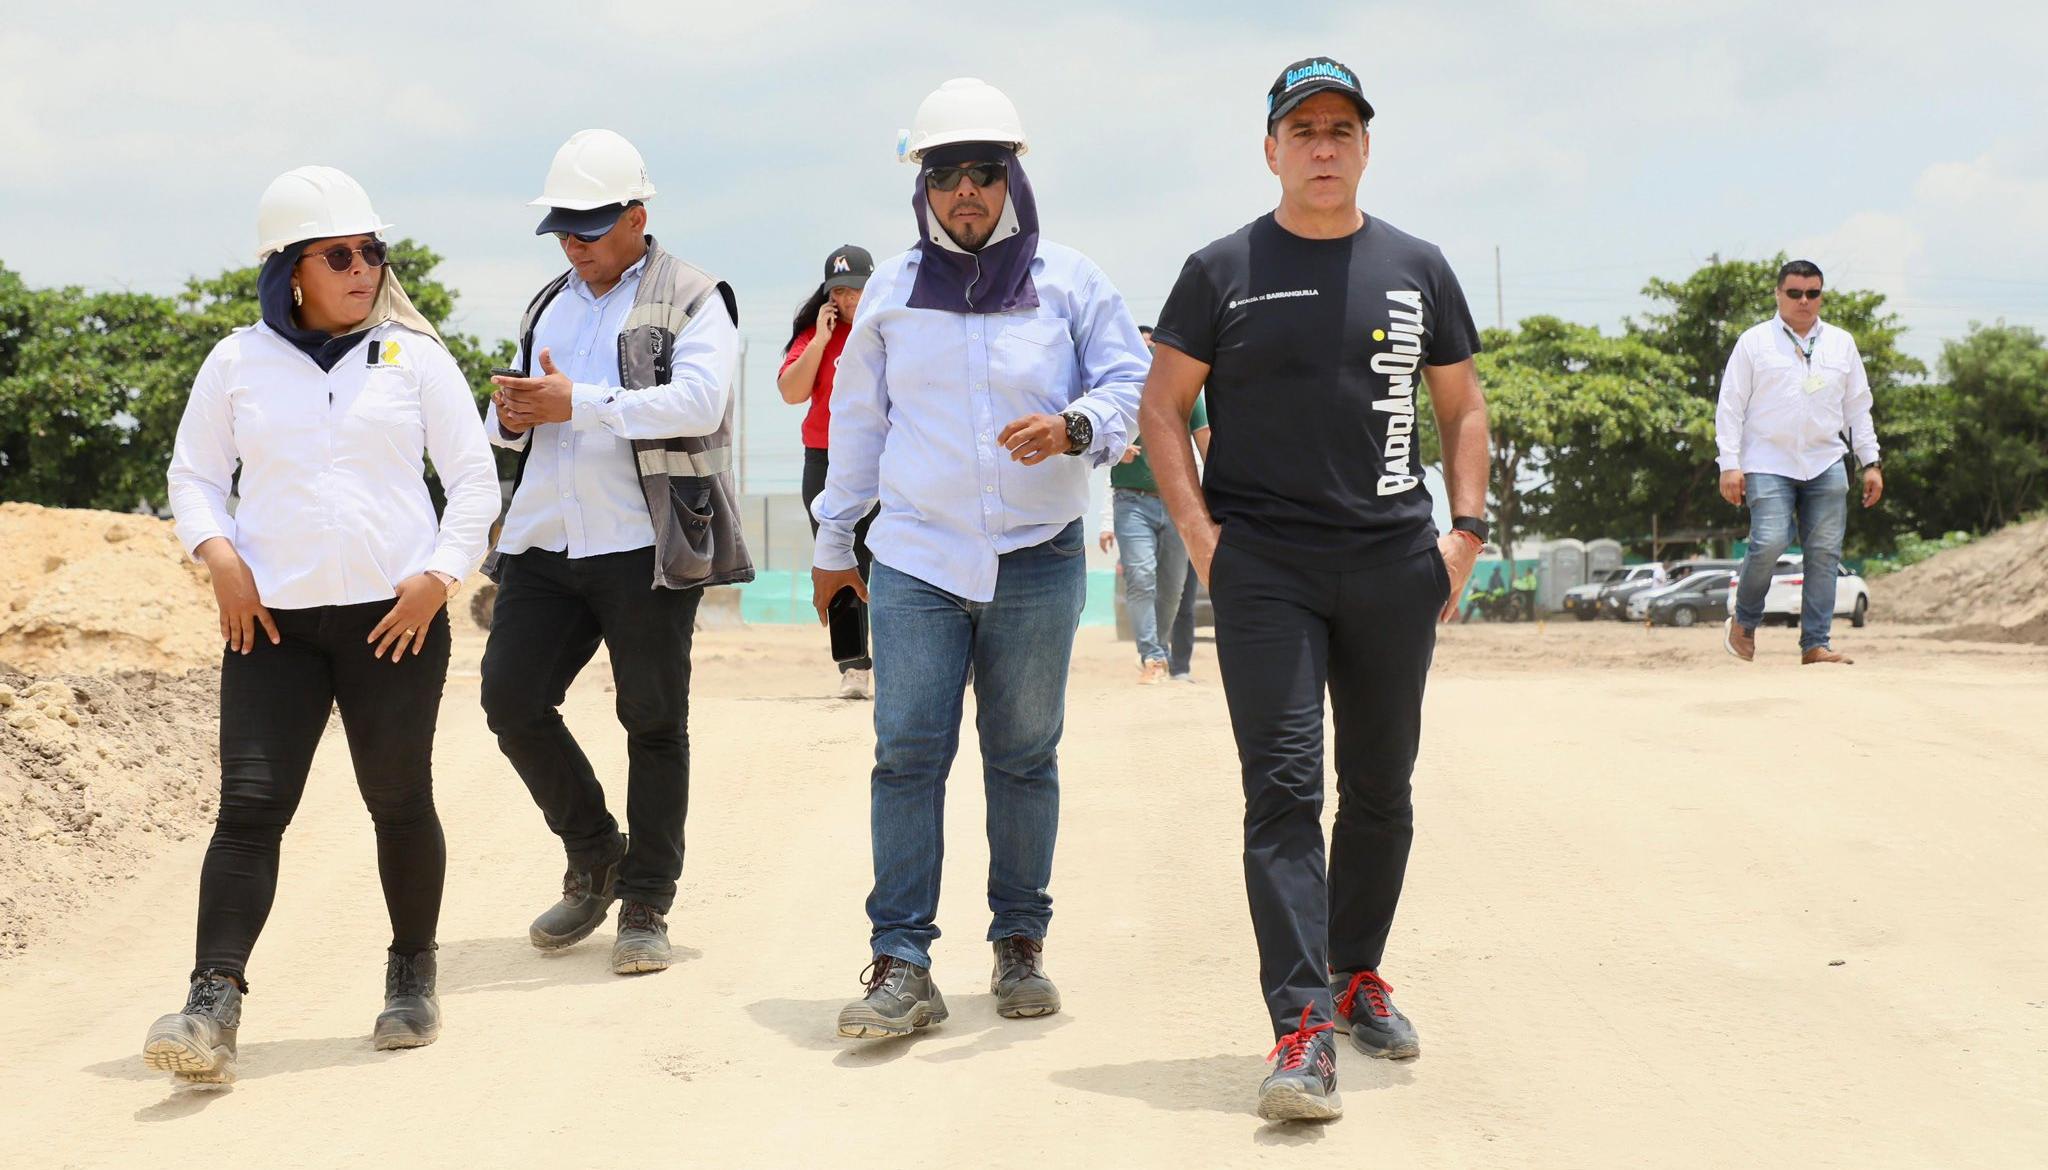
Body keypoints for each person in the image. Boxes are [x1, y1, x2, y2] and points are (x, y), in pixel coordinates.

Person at [1141, 57, 1491, 1121]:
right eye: (1304, 131)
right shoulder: (1220, 269)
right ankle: (1299, 1029)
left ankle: (1353, 976)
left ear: (1365, 146)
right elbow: (1161, 411)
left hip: (1394, 563)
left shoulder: (1416, 267)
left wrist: (1463, 534)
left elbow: (1462, 410)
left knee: (1381, 789)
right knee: (1283, 790)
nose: (1323, 147)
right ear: (1271, 149)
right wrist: (1202, 538)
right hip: (1267, 573)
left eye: (1341, 129)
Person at [810, 78, 1148, 1040]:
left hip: (1038, 559)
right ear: (922, 182)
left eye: (985, 172)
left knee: (1024, 757)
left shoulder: (1072, 281)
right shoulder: (888, 295)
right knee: (906, 758)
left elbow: (1129, 380)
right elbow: (860, 426)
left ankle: (1019, 945)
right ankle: (903, 962)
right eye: (948, 172)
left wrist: (1077, 424)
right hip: (917, 559)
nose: (967, 190)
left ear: (1013, 179)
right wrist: (836, 543)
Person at [151, 166, 498, 1084]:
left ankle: (412, 972)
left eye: (371, 252)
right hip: (272, 629)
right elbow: (192, 477)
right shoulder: (235, 362)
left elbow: (472, 481)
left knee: (397, 799)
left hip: (397, 623)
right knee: (251, 807)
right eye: (339, 254)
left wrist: (436, 578)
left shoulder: (415, 357)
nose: (362, 268)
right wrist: (218, 557)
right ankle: (211, 1002)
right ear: (289, 271)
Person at [481, 129, 750, 977]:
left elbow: (700, 401)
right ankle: (595, 849)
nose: (574, 245)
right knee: (510, 700)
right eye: (563, 230)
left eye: (590, 230)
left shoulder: (698, 297)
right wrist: (514, 414)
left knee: (654, 723)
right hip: (547, 538)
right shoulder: (546, 302)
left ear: (638, 217)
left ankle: (645, 901)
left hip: (644, 543)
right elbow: (518, 417)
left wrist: (580, 402)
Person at [1717, 259, 1882, 665]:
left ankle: (1815, 644)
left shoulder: (1841, 343)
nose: (1804, 301)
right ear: (1778, 294)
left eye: (1812, 293)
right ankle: (1744, 621)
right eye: (1795, 293)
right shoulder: (1754, 342)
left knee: (1824, 552)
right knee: (1770, 540)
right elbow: (1730, 406)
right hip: (1767, 460)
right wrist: (1729, 463)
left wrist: (1871, 461)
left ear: (1821, 296)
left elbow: (1857, 408)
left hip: (1826, 459)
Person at [780, 244, 878, 699]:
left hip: (883, 459)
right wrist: (820, 340)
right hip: (825, 459)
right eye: (839, 291)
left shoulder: (889, 329)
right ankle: (854, 667)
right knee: (838, 559)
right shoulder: (816, 335)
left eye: (855, 290)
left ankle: (902, 661)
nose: (849, 299)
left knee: (889, 559)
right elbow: (791, 392)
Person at [1099, 324, 1212, 683]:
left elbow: (1206, 441)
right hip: (1131, 501)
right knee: (1142, 577)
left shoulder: (1188, 393)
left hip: (1179, 502)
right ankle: (1151, 656)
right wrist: (1115, 450)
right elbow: (1094, 443)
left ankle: (1158, 652)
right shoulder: (1121, 393)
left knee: (1174, 587)